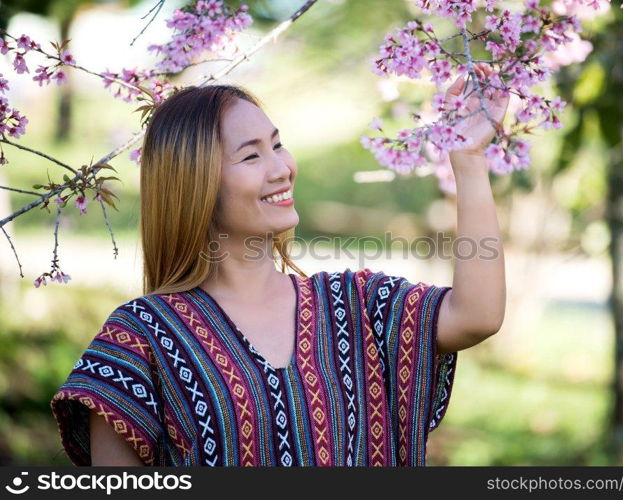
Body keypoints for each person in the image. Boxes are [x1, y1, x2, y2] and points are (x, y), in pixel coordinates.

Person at [50, 70, 508, 466]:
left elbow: (477, 314)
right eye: (251, 155)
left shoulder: (354, 305)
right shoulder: (140, 339)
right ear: (195, 183)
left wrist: (468, 161)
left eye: (278, 145)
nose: (281, 168)